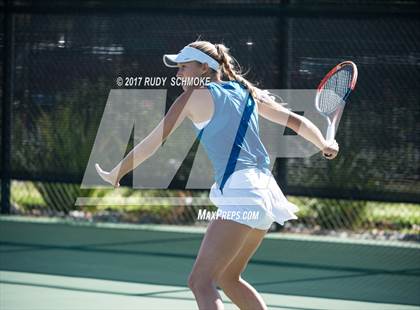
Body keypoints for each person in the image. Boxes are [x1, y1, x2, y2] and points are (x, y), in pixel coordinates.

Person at [95, 40, 339, 310]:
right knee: (228, 277)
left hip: (242, 191)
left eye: (184, 67)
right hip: (265, 194)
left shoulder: (190, 98)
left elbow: (151, 144)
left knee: (200, 282)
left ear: (204, 68)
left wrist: (116, 172)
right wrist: (323, 144)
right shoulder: (245, 91)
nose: (178, 75)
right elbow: (294, 120)